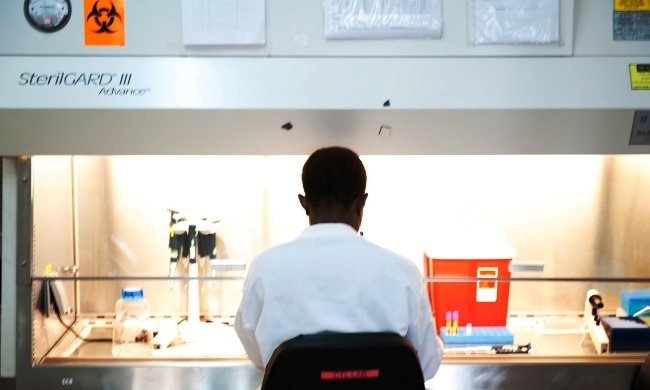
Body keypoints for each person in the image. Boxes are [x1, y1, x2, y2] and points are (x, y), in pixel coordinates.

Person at [235, 146, 442, 384]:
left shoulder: (265, 268)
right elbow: (425, 365)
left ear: (304, 203)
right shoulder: (403, 272)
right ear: (361, 204)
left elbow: (259, 355)